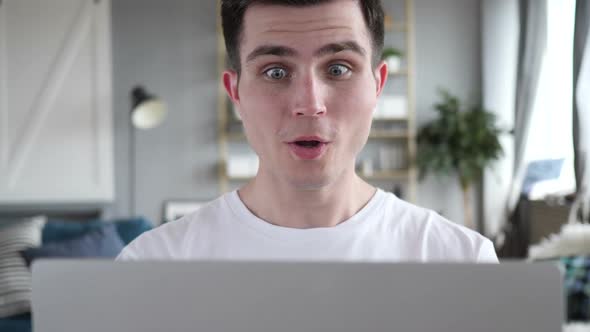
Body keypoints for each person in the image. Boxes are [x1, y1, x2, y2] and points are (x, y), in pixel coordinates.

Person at [117, 0, 498, 262]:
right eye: (276, 72)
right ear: (235, 92)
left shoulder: (460, 260)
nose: (310, 103)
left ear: (378, 85)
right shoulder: (152, 264)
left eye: (338, 69)